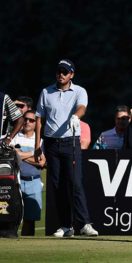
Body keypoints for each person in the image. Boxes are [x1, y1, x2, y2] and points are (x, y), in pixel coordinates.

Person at [34, 59, 98, 237]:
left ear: (72, 74)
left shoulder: (79, 91)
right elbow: (39, 118)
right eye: (59, 71)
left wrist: (76, 117)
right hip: (51, 143)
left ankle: (85, 223)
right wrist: (37, 146)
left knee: (74, 182)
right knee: (56, 185)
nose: (61, 75)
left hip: (71, 142)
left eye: (65, 72)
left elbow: (82, 107)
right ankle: (66, 226)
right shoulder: (46, 92)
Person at [10, 110, 45, 236]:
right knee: (12, 216)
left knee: (30, 219)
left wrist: (20, 155)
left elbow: (42, 163)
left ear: (36, 123)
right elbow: (12, 155)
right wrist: (32, 154)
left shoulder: (40, 141)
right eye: (25, 119)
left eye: (31, 120)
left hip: (34, 181)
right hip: (16, 180)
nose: (27, 122)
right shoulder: (14, 137)